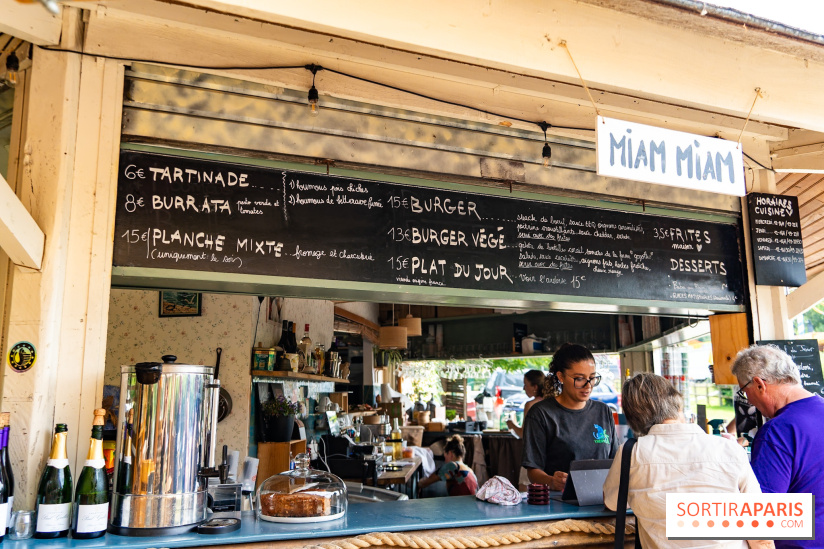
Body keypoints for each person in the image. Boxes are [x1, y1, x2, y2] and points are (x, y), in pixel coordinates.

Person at [603, 373, 771, 549]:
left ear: (634, 419)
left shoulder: (631, 453)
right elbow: (759, 530)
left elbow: (612, 502)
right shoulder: (729, 449)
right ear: (677, 404)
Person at [731, 344, 824, 548]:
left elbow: (761, 514)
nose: (750, 402)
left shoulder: (777, 432)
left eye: (745, 393)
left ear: (759, 385)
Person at [522, 343, 617, 491]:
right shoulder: (541, 414)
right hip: (559, 500)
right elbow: (533, 470)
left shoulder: (603, 411)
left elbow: (615, 461)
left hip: (601, 498)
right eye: (579, 378)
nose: (588, 385)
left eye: (592, 378)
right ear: (561, 376)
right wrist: (551, 481)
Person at [505, 369, 545, 490]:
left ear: (535, 387)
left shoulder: (531, 405)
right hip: (547, 456)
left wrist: (511, 424)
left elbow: (523, 434)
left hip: (532, 456)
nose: (523, 388)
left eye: (525, 385)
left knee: (525, 492)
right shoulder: (551, 402)